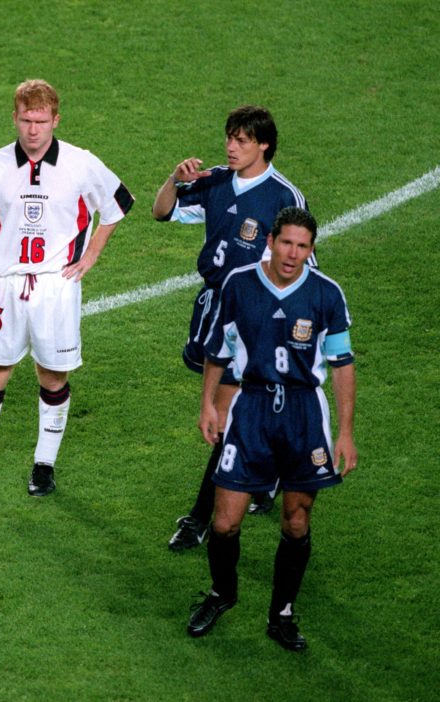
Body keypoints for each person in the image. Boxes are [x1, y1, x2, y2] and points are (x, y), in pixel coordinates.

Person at [0, 79, 134, 498]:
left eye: (41, 121)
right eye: (26, 120)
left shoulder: (81, 163)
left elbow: (116, 205)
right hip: (4, 284)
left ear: (55, 120)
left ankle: (44, 465)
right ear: (14, 117)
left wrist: (93, 253)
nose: (32, 130)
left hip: (56, 286)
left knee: (52, 375)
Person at [185, 207, 357, 650]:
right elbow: (218, 350)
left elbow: (341, 365)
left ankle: (281, 613)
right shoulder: (239, 284)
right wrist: (208, 403)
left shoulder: (326, 295)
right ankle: (223, 594)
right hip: (251, 409)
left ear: (311, 249)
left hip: (304, 413)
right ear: (270, 241)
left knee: (296, 521)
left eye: (302, 246)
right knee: (224, 523)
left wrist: (345, 432)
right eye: (286, 243)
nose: (292, 254)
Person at [152, 105, 308, 551]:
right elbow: (161, 213)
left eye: (241, 140)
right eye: (229, 137)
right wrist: (174, 181)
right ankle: (268, 474)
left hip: (255, 318)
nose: (231, 146)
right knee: (240, 410)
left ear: (264, 145)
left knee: (222, 417)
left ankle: (199, 518)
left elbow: (301, 268)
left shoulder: (283, 199)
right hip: (214, 307)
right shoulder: (217, 180)